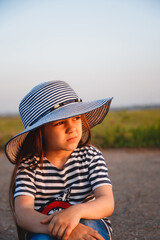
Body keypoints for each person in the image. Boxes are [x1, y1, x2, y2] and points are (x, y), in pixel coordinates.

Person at [5, 80, 114, 240]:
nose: (72, 128)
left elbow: (106, 201)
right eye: (60, 122)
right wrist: (65, 229)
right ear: (39, 131)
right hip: (44, 227)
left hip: (88, 223)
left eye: (76, 118)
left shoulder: (91, 156)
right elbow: (23, 213)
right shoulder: (29, 166)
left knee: (89, 228)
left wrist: (76, 212)